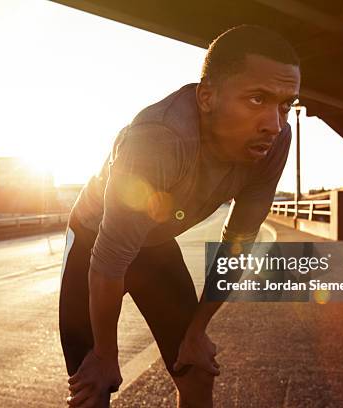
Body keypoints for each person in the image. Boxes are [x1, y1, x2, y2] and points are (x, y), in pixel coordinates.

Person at [59, 24, 300, 407]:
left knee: (196, 371)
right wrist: (106, 353)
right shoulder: (158, 137)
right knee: (93, 387)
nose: (275, 123)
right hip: (95, 242)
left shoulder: (275, 141)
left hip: (154, 244)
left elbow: (238, 241)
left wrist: (197, 331)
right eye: (257, 99)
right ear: (207, 97)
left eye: (286, 105)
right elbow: (109, 259)